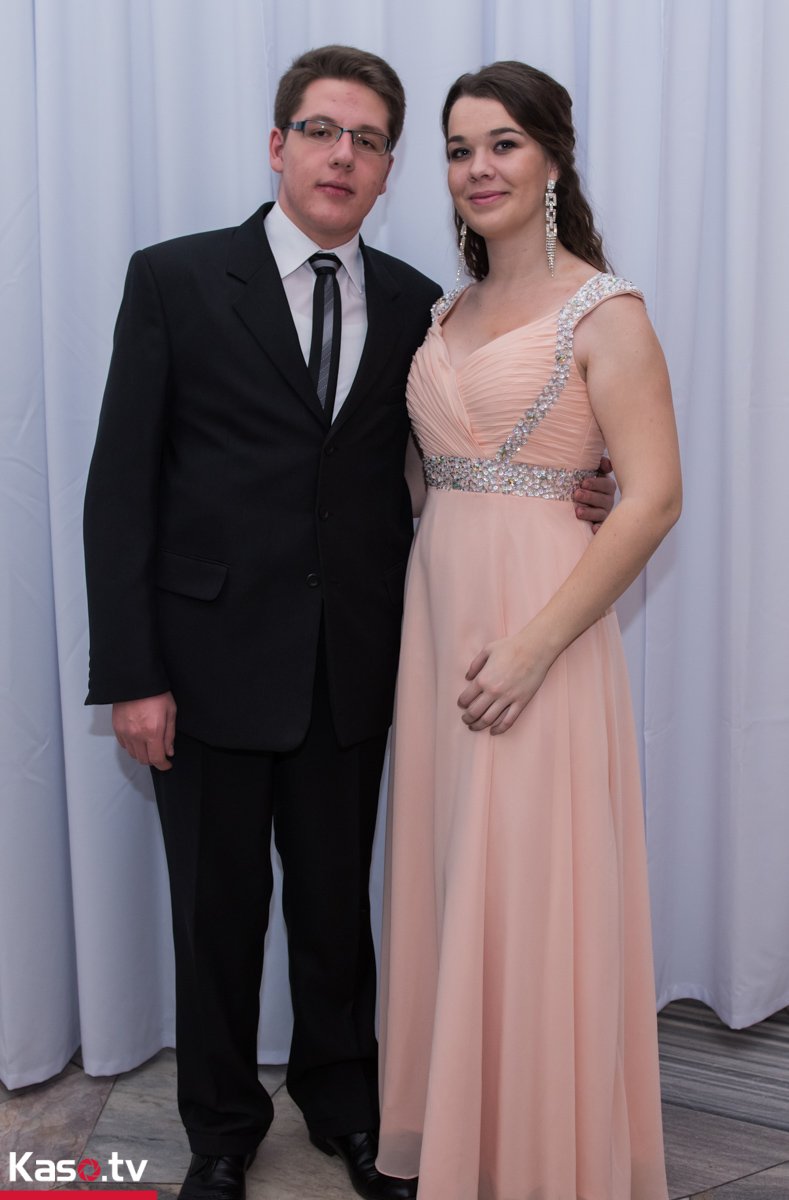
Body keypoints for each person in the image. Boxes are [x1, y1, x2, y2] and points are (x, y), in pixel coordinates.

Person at [83, 46, 615, 1200]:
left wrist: (586, 483)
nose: (343, 156)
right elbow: (119, 489)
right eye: (323, 132)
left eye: (369, 141)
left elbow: (468, 453)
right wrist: (132, 673)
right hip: (204, 669)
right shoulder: (176, 279)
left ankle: (347, 1110)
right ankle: (221, 1131)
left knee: (340, 913)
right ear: (278, 146)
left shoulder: (428, 304)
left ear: (387, 171)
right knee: (217, 918)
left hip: (358, 670)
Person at [376, 60, 681, 1200]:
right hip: (437, 623)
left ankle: (545, 1158)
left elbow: (652, 498)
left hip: (539, 636)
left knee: (534, 880)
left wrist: (534, 647)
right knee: (454, 872)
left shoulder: (608, 309)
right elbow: (425, 473)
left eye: (503, 143)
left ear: (552, 158)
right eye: (459, 149)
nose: (478, 168)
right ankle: (463, 1137)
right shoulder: (443, 312)